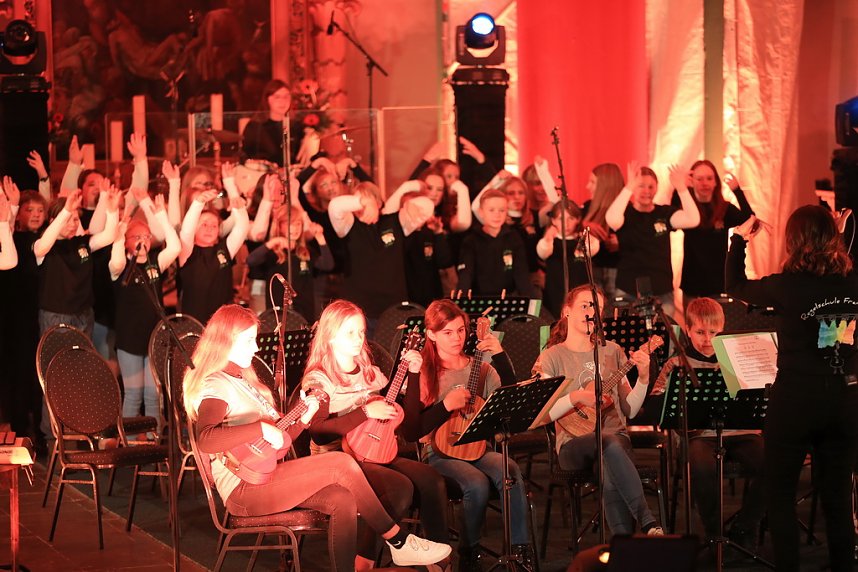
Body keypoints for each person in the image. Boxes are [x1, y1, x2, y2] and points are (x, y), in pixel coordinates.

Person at [184, 304, 451, 572]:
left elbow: (276, 445)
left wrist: (302, 418)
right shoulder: (216, 384)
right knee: (338, 463)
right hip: (243, 489)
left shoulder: (244, 381)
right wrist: (261, 428)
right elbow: (206, 438)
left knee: (342, 498)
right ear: (224, 341)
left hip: (266, 473)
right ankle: (398, 540)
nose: (256, 349)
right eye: (249, 340)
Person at [725, 206, 858, 572]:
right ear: (832, 238)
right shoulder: (853, 280)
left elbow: (734, 286)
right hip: (845, 400)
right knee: (837, 501)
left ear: (793, 241)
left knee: (781, 496)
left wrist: (739, 240)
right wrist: (839, 235)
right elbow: (841, 269)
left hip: (796, 401)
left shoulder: (786, 286)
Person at [300, 300, 451, 571]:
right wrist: (365, 412)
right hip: (336, 459)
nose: (359, 339)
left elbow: (412, 429)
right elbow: (318, 432)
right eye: (349, 333)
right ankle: (365, 561)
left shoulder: (372, 373)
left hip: (375, 451)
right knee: (399, 486)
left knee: (432, 480)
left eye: (360, 332)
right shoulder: (319, 378)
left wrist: (414, 375)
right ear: (330, 337)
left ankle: (439, 560)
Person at [400, 299, 534, 571]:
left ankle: (520, 552)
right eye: (448, 332)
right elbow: (412, 430)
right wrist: (445, 406)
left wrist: (499, 354)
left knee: (509, 470)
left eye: (461, 330)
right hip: (439, 452)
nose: (456, 338)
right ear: (431, 334)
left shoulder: (481, 368)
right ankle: (468, 551)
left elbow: (510, 395)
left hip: (478, 448)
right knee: (475, 483)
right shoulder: (425, 371)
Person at [533, 285, 663, 538]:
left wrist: (644, 377)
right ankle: (648, 523)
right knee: (608, 443)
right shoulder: (551, 357)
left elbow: (631, 410)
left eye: (597, 308)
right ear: (566, 311)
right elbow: (542, 414)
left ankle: (621, 548)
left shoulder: (612, 351)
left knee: (609, 457)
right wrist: (577, 397)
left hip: (615, 440)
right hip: (573, 444)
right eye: (585, 305)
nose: (591, 312)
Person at [651, 297, 764, 549]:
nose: (706, 339)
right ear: (688, 330)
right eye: (700, 332)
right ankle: (714, 533)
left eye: (714, 333)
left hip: (739, 430)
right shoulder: (676, 363)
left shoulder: (737, 359)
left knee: (773, 464)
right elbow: (657, 402)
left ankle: (745, 526)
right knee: (702, 465)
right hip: (698, 435)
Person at [109, 191, 181, 426]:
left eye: (147, 236)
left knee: (153, 395)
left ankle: (153, 444)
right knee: (133, 395)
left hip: (153, 337)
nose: (143, 240)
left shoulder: (155, 263)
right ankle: (130, 446)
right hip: (129, 339)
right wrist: (120, 234)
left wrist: (160, 215)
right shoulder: (121, 267)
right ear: (127, 241)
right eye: (137, 236)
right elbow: (117, 260)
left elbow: (175, 246)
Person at [328, 182, 434, 333]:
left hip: (393, 309)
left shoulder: (395, 222)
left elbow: (427, 205)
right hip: (359, 311)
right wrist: (365, 202)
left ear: (379, 203)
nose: (363, 207)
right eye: (358, 202)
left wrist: (408, 202)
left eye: (370, 200)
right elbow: (335, 206)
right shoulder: (348, 225)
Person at [605, 162, 700, 317]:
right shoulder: (625, 213)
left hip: (661, 290)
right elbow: (611, 219)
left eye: (651, 186)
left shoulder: (664, 212)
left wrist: (681, 188)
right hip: (627, 288)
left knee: (664, 337)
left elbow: (693, 219)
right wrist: (629, 186)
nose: (647, 191)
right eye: (641, 186)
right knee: (625, 338)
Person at [674, 160, 754, 305]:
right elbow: (671, 218)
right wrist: (680, 187)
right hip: (692, 283)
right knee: (691, 327)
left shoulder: (724, 209)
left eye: (709, 178)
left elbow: (750, 220)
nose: (704, 183)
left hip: (718, 283)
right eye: (699, 179)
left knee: (718, 327)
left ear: (716, 182)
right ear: (692, 181)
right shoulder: (687, 210)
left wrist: (737, 190)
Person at [245, 205, 333, 323]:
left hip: (304, 313)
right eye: (290, 224)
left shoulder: (305, 252)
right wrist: (272, 243)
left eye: (298, 224)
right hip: (279, 315)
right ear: (280, 225)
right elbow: (251, 260)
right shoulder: (272, 253)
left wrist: (320, 237)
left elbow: (328, 265)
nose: (295, 228)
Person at [178, 189, 249, 324]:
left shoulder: (224, 250)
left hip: (223, 323)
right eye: (204, 224)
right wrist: (198, 203)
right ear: (195, 228)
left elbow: (242, 229)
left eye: (214, 225)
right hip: (194, 323)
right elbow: (186, 232)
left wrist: (239, 209)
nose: (209, 228)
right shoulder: (187, 251)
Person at [457, 188, 537, 298]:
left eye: (502, 210)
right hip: (480, 299)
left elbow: (522, 274)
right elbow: (465, 276)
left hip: (508, 298)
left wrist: (530, 303)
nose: (497, 215)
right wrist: (462, 301)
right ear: (481, 212)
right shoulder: (471, 241)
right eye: (491, 210)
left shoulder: (513, 238)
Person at [537, 200, 600, 319]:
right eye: (560, 219)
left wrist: (585, 235)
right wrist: (549, 237)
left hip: (580, 293)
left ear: (577, 219)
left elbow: (594, 247)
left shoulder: (582, 240)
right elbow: (542, 252)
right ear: (553, 220)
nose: (565, 223)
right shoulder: (550, 241)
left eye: (570, 218)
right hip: (555, 293)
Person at [582, 163, 624, 301]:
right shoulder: (587, 207)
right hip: (593, 270)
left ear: (606, 185)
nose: (588, 186)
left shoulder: (626, 210)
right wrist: (584, 225)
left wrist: (621, 241)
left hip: (619, 272)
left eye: (593, 182)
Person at [240, 79, 292, 167]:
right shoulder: (255, 127)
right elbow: (246, 157)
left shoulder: (296, 125)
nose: (283, 101)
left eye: (286, 96)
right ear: (268, 99)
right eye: (277, 97)